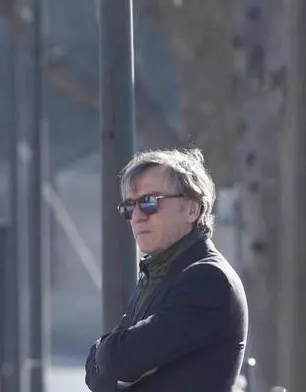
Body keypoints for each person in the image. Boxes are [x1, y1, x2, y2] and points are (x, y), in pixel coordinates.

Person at [85, 148, 248, 391]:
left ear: (192, 209)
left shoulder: (207, 279)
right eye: (129, 207)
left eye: (149, 202)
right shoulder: (158, 273)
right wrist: (111, 356)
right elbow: (97, 374)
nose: (137, 217)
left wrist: (105, 351)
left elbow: (123, 360)